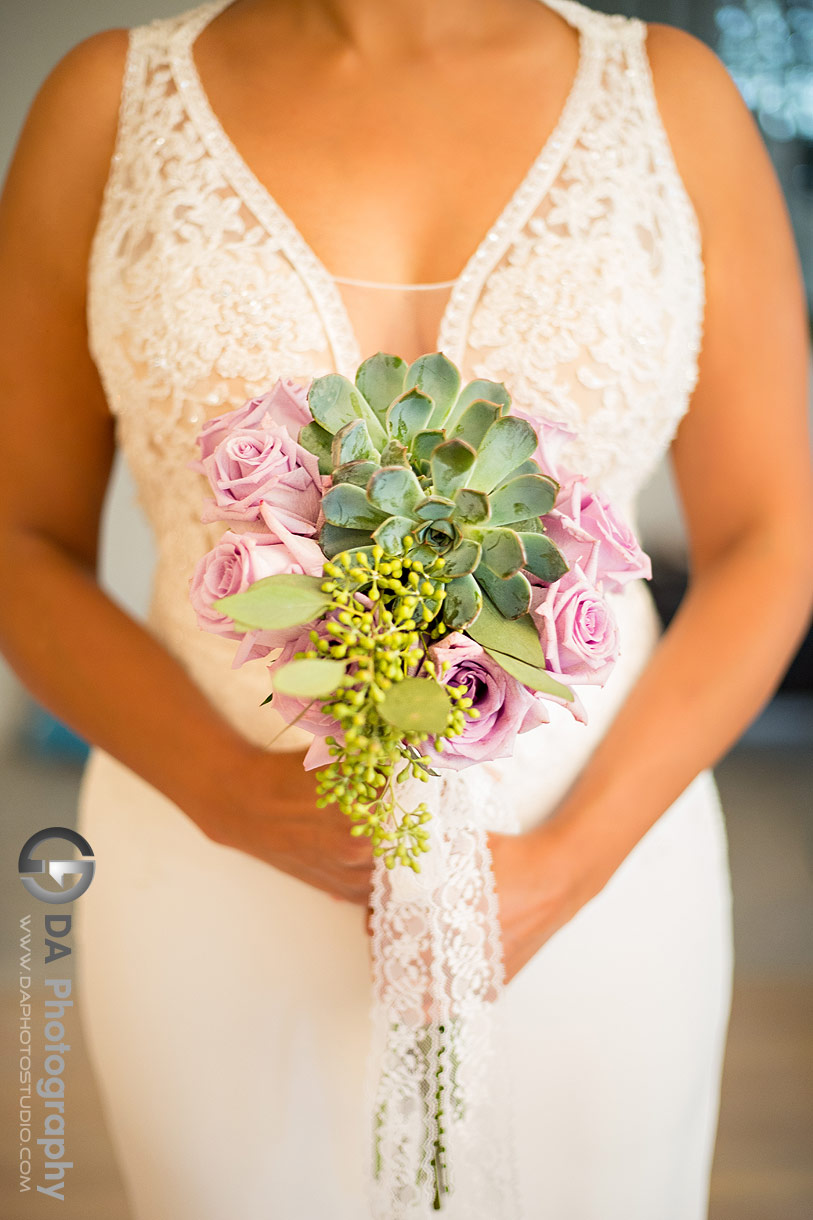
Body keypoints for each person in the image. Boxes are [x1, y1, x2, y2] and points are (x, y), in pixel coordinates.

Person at [1, 0, 811, 1216]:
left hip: (601, 883)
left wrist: (564, 872)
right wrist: (234, 799)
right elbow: (20, 540)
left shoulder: (673, 99)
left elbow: (775, 541)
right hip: (210, 887)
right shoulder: (106, 104)